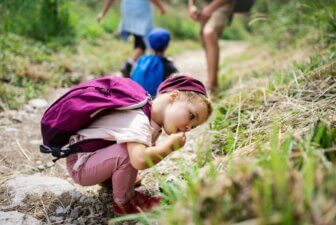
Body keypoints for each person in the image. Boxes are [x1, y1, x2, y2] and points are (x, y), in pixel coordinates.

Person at [65, 74, 213, 215]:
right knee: (128, 154)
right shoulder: (139, 119)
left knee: (133, 149)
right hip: (81, 165)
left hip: (90, 155)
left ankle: (110, 180)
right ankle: (126, 202)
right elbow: (139, 160)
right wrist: (168, 147)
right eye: (192, 116)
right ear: (173, 97)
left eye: (193, 126)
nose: (188, 128)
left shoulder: (148, 116)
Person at [97, 0, 166, 76]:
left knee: (139, 39)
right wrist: (161, 8)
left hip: (128, 9)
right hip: (141, 10)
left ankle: (137, 68)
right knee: (144, 41)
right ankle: (129, 65)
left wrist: (103, 13)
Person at [188, 0, 236, 90]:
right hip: (205, 3)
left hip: (223, 3)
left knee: (209, 32)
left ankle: (212, 84)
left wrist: (210, 8)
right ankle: (212, 81)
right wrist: (191, 6)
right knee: (204, 39)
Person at [131, 28, 178, 97]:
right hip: (153, 101)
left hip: (136, 98)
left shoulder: (141, 59)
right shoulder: (167, 65)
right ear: (166, 46)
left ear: (150, 44)